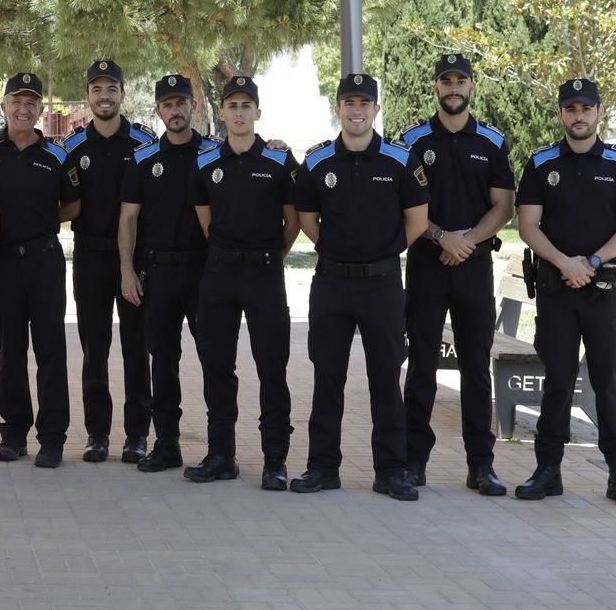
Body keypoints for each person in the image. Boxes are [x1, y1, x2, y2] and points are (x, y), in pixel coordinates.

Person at [292, 73, 429, 501]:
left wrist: (382, 253)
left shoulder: (401, 160)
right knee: (327, 376)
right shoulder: (317, 163)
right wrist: (338, 251)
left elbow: (418, 221)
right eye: (348, 103)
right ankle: (322, 466)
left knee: (385, 378)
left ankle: (391, 470)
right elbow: (307, 222)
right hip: (331, 282)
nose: (356, 110)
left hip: (383, 284)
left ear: (375, 109)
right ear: (338, 109)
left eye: (364, 103)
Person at [515, 78, 616, 508]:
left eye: (585, 109)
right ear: (560, 114)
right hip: (556, 290)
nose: (578, 116)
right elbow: (528, 224)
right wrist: (564, 263)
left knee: (607, 381)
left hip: (603, 292)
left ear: (598, 112)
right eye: (570, 109)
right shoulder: (540, 163)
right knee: (556, 381)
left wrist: (588, 262)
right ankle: (547, 470)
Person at [399, 54, 515, 495]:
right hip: (428, 264)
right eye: (445, 81)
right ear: (435, 88)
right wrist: (442, 236)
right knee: (422, 368)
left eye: (460, 81)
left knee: (475, 369)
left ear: (472, 87)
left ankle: (481, 465)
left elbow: (503, 205)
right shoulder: (411, 139)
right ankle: (414, 462)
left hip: (474, 268)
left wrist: (465, 241)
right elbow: (403, 204)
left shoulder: (491, 141)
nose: (453, 88)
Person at [185, 76, 299, 487]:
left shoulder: (279, 161)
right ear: (221, 113)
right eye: (231, 106)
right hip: (219, 273)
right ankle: (221, 455)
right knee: (217, 366)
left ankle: (275, 460)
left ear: (257, 112)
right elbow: (205, 221)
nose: (238, 113)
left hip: (265, 273)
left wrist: (272, 256)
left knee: (272, 367)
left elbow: (294, 221)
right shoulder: (205, 163)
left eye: (245, 106)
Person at [0, 73, 80, 468]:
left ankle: (52, 438)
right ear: (3, 106)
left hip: (45, 261)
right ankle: (13, 433)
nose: (23, 109)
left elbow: (74, 205)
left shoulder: (58, 155)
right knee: (10, 349)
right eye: (17, 101)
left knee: (51, 350)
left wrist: (43, 219)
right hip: (1, 264)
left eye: (31, 103)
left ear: (41, 111)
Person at [117, 74, 218, 473]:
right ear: (157, 110)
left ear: (193, 106)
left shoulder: (214, 153)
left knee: (215, 360)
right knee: (163, 363)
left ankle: (220, 447)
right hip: (157, 272)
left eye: (181, 103)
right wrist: (127, 270)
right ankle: (167, 445)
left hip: (205, 273)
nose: (175, 111)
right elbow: (127, 220)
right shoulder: (143, 160)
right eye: (167, 104)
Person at [61, 60, 154, 464]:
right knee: (93, 350)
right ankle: (97, 434)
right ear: (88, 96)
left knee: (137, 349)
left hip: (135, 258)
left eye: (111, 89)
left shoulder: (145, 144)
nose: (104, 96)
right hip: (90, 256)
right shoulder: (71, 149)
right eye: (96, 89)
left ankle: (137, 436)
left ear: (122, 94)